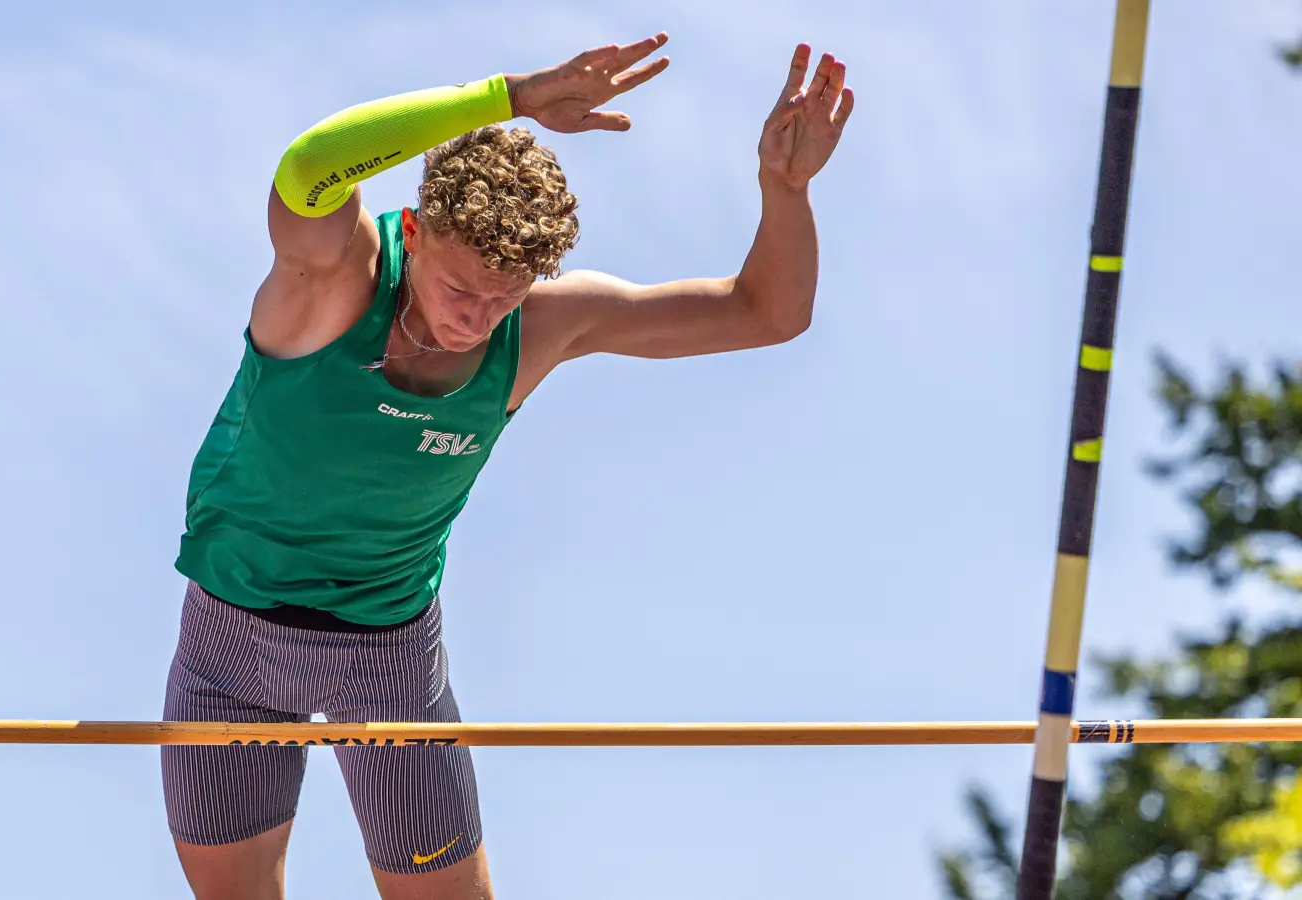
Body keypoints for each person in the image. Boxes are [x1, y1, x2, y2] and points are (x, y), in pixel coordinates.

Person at [161, 31, 854, 900]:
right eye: (460, 288)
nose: (477, 318)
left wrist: (783, 190)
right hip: (232, 638)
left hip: (388, 649)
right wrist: (510, 97)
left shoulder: (542, 328)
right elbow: (309, 164)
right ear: (414, 231)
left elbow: (766, 312)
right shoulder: (331, 278)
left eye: (505, 296)